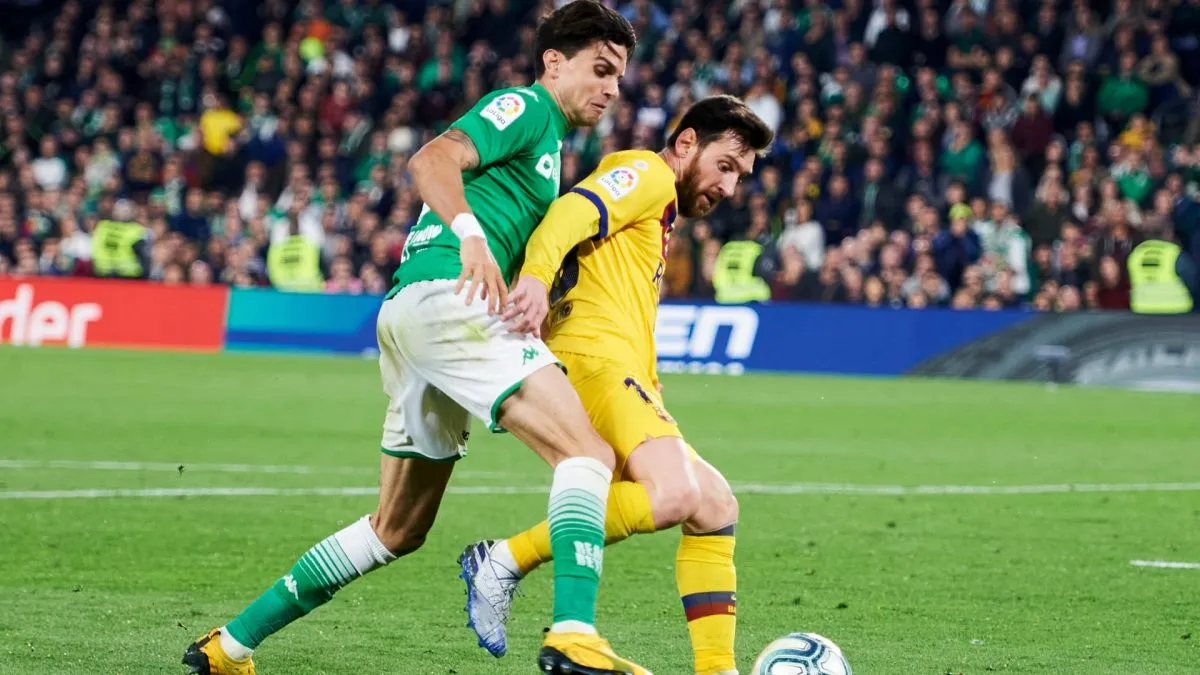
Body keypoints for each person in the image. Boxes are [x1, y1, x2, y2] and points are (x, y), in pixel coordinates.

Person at [182, 3, 645, 674]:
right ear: (554, 61)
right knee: (587, 454)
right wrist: (474, 241)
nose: (610, 89)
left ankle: (230, 645)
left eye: (619, 78)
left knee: (397, 527)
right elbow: (432, 160)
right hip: (450, 301)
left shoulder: (546, 149)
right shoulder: (526, 107)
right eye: (600, 69)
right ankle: (574, 629)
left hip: (413, 313)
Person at [459, 95, 773, 675]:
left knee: (715, 505)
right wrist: (533, 278)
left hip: (624, 372)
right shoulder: (648, 172)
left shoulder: (661, 213)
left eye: (741, 175)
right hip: (594, 364)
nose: (730, 187)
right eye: (725, 165)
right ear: (686, 144)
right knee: (676, 494)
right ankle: (503, 559)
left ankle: (717, 670)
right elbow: (570, 212)